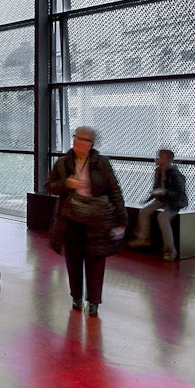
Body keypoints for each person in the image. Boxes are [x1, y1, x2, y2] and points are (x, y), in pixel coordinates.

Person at [46, 126, 127, 317]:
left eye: (83, 140)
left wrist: (121, 217)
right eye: (76, 138)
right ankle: (76, 296)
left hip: (98, 221)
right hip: (71, 219)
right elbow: (50, 187)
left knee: (96, 262)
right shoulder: (63, 163)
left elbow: (114, 190)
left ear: (91, 144)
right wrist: (67, 183)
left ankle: (94, 301)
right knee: (73, 261)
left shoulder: (102, 163)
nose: (78, 143)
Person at [127, 149, 187, 261]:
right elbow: (156, 188)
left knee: (163, 218)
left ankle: (170, 249)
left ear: (169, 160)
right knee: (144, 211)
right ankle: (143, 237)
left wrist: (165, 192)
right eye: (158, 157)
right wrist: (149, 199)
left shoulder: (175, 175)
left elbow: (179, 194)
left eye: (161, 158)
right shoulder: (158, 171)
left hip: (174, 202)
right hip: (162, 200)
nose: (158, 160)